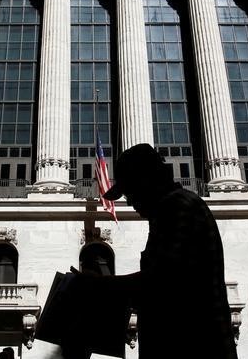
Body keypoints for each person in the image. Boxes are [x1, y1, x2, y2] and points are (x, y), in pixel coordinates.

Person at [101, 143, 238, 358]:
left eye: (130, 190)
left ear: (145, 179)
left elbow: (161, 281)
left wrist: (98, 286)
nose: (130, 201)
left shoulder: (177, 207)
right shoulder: (168, 211)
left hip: (196, 347)